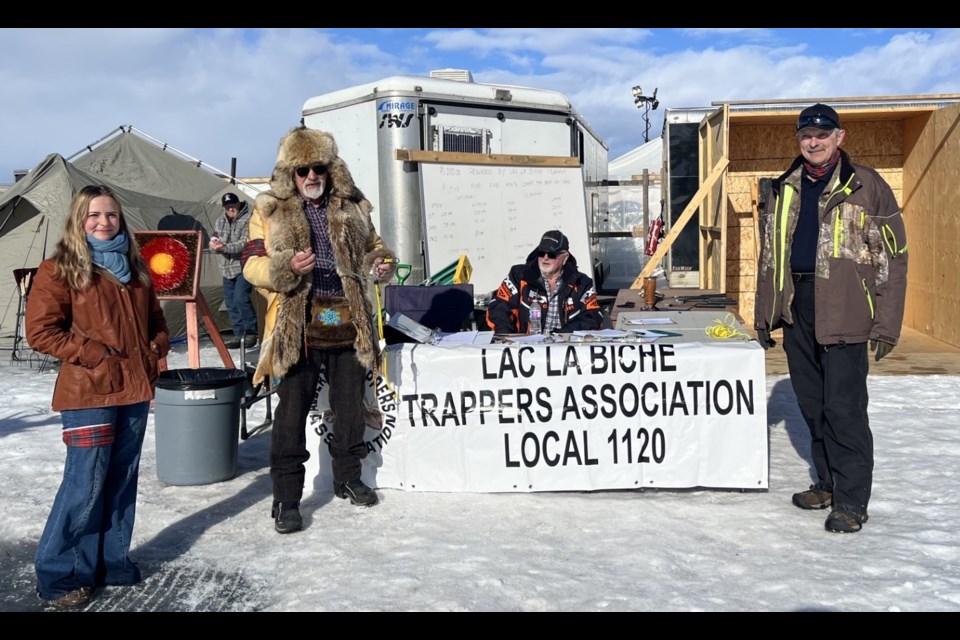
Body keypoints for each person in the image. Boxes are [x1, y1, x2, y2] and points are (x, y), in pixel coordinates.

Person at [754, 103, 908, 534]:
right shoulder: (784, 187)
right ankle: (825, 482)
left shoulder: (867, 186)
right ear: (799, 140)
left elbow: (892, 258)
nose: (814, 141)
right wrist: (765, 313)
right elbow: (769, 257)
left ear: (840, 137)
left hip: (846, 309)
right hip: (797, 306)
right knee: (812, 405)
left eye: (823, 134)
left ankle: (852, 500)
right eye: (807, 134)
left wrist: (886, 323)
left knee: (845, 409)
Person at [242, 126, 396, 534]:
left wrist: (380, 263)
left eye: (319, 169)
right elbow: (250, 266)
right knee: (290, 418)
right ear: (290, 174)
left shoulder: (353, 205)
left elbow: (375, 248)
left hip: (344, 319)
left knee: (349, 409)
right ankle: (286, 500)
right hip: (299, 326)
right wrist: (284, 268)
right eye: (302, 170)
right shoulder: (269, 211)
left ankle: (348, 477)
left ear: (330, 170)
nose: (311, 177)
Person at [25, 184, 170, 607]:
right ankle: (60, 573)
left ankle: (111, 560)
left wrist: (156, 347)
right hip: (89, 390)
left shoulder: (136, 268)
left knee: (121, 478)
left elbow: (157, 320)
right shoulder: (60, 269)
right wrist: (93, 353)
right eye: (94, 215)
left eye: (111, 215)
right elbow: (41, 332)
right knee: (84, 483)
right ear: (78, 220)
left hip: (135, 388)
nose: (104, 222)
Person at [486, 229, 603, 335]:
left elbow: (593, 315)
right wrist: (507, 338)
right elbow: (499, 307)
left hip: (565, 347)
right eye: (541, 253)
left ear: (565, 258)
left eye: (551, 254)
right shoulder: (519, 276)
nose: (545, 258)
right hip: (524, 348)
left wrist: (561, 335)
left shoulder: (582, 283)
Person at [210, 192, 258, 349]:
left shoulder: (249, 219)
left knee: (240, 298)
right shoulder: (220, 221)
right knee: (230, 303)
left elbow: (244, 243)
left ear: (238, 204)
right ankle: (239, 335)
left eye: (233, 205)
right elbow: (215, 236)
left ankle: (252, 333)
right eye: (227, 206)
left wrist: (224, 248)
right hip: (226, 267)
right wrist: (214, 244)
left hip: (243, 266)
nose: (230, 209)